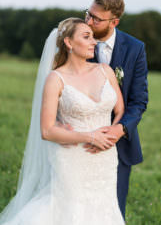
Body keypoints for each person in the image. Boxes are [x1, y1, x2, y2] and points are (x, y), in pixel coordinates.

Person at [0, 18, 126, 225]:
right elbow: (47, 130)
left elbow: (120, 110)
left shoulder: (105, 70)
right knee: (71, 210)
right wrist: (90, 136)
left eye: (93, 37)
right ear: (68, 43)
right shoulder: (56, 79)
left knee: (104, 207)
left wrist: (111, 135)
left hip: (105, 157)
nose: (93, 41)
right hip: (72, 157)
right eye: (86, 37)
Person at [82, 0, 148, 219]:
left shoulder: (135, 48)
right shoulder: (74, 42)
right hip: (81, 141)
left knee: (113, 211)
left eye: (96, 19)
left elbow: (139, 101)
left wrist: (118, 130)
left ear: (114, 22)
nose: (89, 22)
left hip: (118, 146)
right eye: (88, 14)